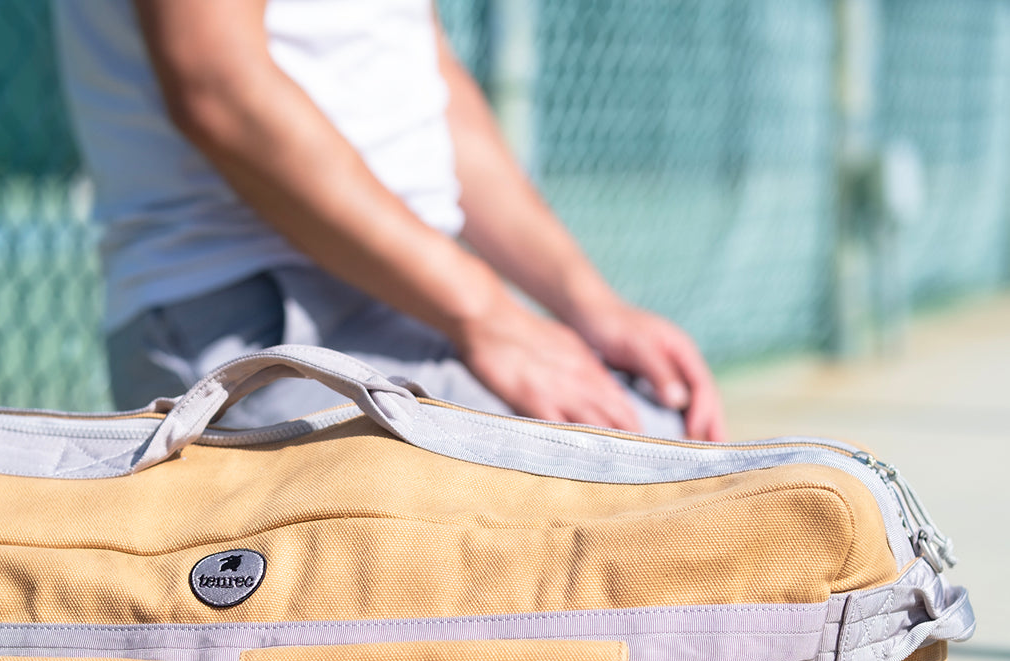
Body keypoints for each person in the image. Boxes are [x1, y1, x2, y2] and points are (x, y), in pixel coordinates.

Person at [53, 0, 725, 441]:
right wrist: (488, 316)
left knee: (666, 442)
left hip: (416, 301)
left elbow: (421, 76)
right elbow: (217, 84)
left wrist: (587, 303)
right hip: (254, 316)